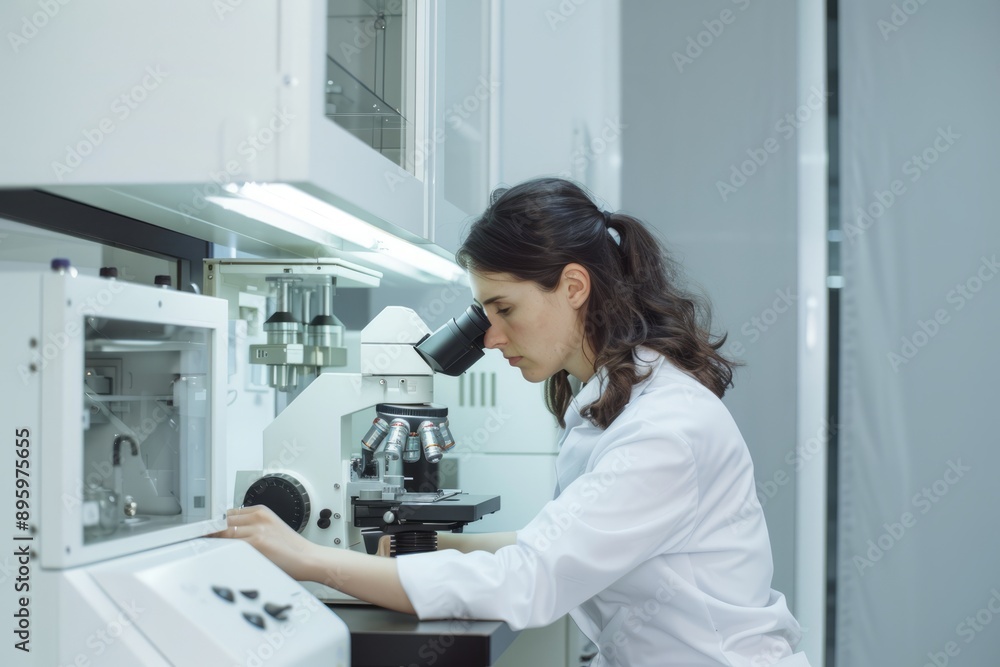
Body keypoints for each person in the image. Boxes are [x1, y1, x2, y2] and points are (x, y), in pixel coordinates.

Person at [214, 177, 810, 667]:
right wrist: (446, 541)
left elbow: (529, 581)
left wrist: (307, 560)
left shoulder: (663, 429)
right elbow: (564, 541)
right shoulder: (621, 401)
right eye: (484, 312)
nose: (492, 336)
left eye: (504, 308)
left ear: (574, 286)